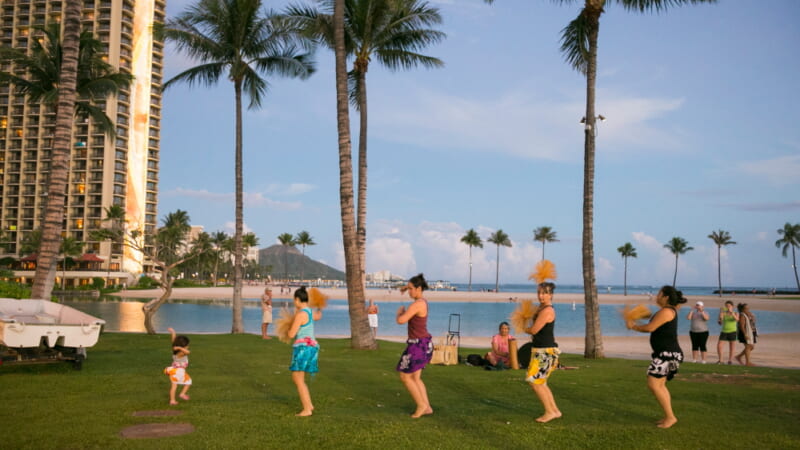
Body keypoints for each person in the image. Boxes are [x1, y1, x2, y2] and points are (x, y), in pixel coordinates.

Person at [626, 285, 686, 429]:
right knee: (659, 385)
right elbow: (652, 321)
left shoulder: (666, 311)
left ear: (666, 297)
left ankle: (670, 417)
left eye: (659, 294)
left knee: (654, 384)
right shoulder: (667, 310)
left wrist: (633, 326)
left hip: (668, 354)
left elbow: (650, 328)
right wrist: (637, 316)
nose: (656, 296)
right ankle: (669, 416)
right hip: (667, 353)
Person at [396, 273, 434, 419]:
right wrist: (405, 287)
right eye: (408, 288)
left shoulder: (417, 304)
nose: (409, 291)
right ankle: (427, 407)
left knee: (405, 376)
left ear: (418, 289)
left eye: (411, 289)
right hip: (423, 343)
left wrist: (399, 313)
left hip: (417, 345)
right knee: (416, 378)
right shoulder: (422, 301)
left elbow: (401, 321)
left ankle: (421, 405)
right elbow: (412, 287)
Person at [524, 282, 562, 423]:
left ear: (550, 295)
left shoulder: (547, 311)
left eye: (544, 293)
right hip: (541, 350)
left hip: (544, 352)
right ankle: (555, 411)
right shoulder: (542, 308)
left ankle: (549, 412)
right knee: (541, 383)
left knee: (534, 381)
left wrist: (523, 328)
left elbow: (534, 330)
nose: (541, 296)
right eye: (539, 292)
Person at [288, 286, 322, 417]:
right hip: (311, 347)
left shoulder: (301, 314)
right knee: (299, 378)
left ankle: (307, 409)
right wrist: (320, 307)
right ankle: (309, 405)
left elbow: (291, 334)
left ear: (297, 299)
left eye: (294, 300)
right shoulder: (309, 312)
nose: (294, 302)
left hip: (303, 348)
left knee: (298, 378)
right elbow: (318, 316)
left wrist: (287, 329)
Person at [164, 327, 192, 406]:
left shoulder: (175, 350)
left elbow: (173, 341)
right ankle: (172, 400)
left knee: (188, 382)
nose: (188, 346)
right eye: (187, 345)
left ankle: (182, 394)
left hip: (179, 371)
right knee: (174, 386)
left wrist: (173, 332)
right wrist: (180, 348)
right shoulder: (181, 353)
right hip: (177, 372)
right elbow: (188, 352)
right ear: (183, 346)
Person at [716, 300, 739, 364]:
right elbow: (720, 323)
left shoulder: (736, 313)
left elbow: (737, 319)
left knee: (732, 347)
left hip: (733, 331)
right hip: (724, 331)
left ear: (732, 306)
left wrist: (732, 313)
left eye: (729, 306)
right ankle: (721, 360)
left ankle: (730, 360)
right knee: (719, 346)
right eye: (726, 306)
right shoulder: (723, 313)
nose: (728, 307)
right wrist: (720, 316)